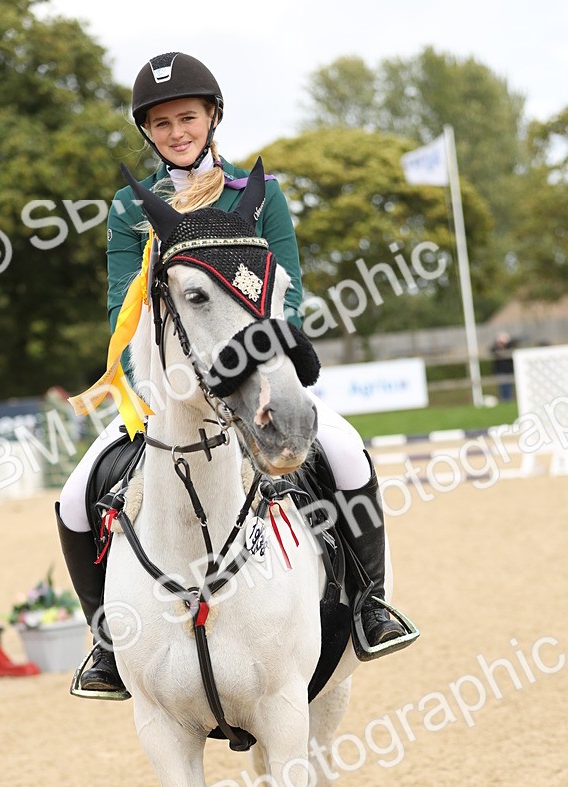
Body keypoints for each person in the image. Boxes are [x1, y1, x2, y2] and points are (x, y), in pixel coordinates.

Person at [56, 51, 408, 699]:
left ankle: (370, 603)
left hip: (258, 371)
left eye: (187, 117)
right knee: (78, 494)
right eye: (161, 124)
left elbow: (288, 288)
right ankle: (106, 644)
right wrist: (150, 381)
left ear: (212, 117)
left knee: (345, 452)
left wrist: (265, 362)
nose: (176, 133)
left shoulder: (258, 194)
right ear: (147, 133)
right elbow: (121, 305)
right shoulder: (130, 207)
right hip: (170, 386)